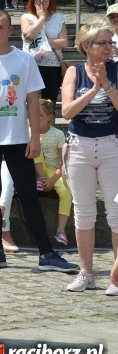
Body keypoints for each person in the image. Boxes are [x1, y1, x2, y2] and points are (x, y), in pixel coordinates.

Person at [0, 9, 78, 273]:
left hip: (17, 139)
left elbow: (33, 100)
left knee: (28, 195)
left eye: (0, 27)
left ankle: (47, 254)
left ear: (10, 30)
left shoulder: (24, 60)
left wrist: (35, 136)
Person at [60, 23, 118, 293]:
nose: (109, 47)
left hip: (111, 146)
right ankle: (86, 273)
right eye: (103, 43)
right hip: (80, 147)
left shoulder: (117, 70)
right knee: (83, 213)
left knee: (116, 214)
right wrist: (94, 89)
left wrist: (106, 83)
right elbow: (68, 111)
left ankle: (116, 277)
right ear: (87, 47)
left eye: (110, 42)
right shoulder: (73, 71)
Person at [20, 0, 68, 102]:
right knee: (30, 102)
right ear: (33, 0)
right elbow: (29, 35)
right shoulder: (27, 17)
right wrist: (41, 18)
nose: (41, 0)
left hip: (52, 66)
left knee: (49, 104)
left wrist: (41, 42)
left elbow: (64, 43)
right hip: (31, 65)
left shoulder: (59, 18)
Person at [35, 98, 72, 245]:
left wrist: (53, 180)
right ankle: (40, 179)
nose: (36, 119)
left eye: (41, 116)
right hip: (33, 170)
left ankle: (60, 230)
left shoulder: (57, 135)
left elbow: (63, 163)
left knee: (66, 192)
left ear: (50, 117)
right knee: (35, 142)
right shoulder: (29, 131)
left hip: (53, 170)